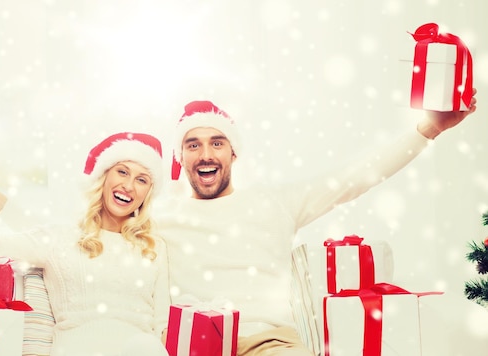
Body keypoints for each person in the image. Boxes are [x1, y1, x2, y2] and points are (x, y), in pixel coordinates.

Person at [154, 93, 480, 356]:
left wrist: (427, 129)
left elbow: (354, 177)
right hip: (193, 346)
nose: (205, 154)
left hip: (270, 345)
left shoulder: (273, 203)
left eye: (217, 142)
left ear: (234, 153)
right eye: (192, 144)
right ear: (180, 157)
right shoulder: (160, 220)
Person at [0, 131, 171, 356]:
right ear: (104, 176)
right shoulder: (61, 239)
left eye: (142, 179)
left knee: (145, 347)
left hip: (143, 350)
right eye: (122, 171)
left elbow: (163, 328)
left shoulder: (154, 247)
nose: (128, 185)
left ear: (148, 192)